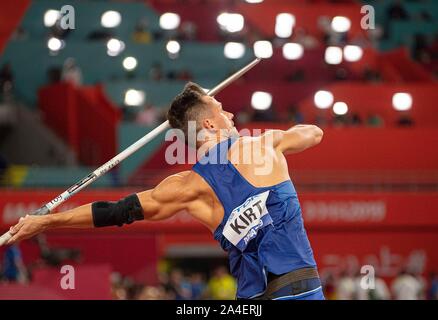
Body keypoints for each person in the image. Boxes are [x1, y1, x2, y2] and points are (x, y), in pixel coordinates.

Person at [5, 82, 324, 300]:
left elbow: (115, 212)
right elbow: (313, 133)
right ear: (210, 126)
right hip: (301, 287)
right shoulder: (265, 144)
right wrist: (284, 133)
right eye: (221, 109)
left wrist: (47, 221)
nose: (229, 114)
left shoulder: (185, 186)